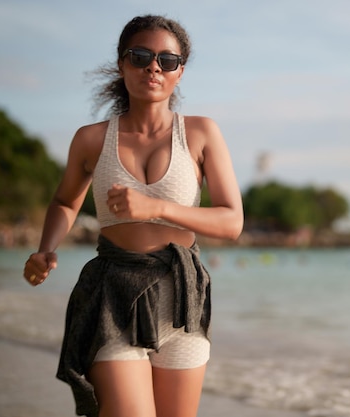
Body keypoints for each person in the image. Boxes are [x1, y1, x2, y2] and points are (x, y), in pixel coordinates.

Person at [22, 15, 243, 417]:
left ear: (180, 71)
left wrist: (156, 207)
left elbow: (232, 222)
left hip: (181, 298)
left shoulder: (201, 133)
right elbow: (65, 202)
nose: (153, 67)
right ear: (122, 64)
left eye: (166, 60)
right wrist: (46, 249)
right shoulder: (91, 139)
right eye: (140, 56)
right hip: (112, 295)